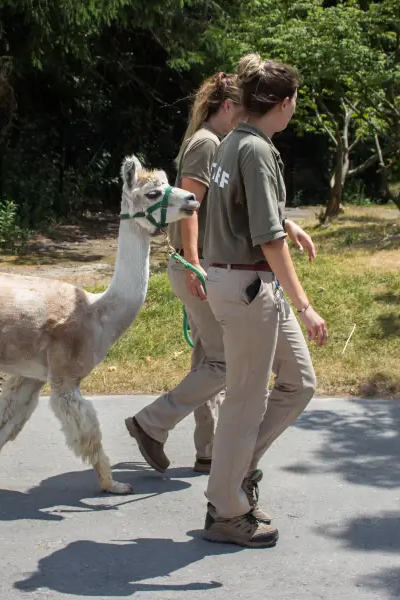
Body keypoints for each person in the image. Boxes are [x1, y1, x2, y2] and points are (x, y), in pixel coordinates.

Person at [124, 71, 317, 476]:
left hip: (205, 265)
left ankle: (209, 450)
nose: (247, 116)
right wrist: (193, 261)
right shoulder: (208, 144)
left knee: (211, 358)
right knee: (225, 363)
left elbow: (239, 205)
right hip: (200, 265)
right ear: (228, 106)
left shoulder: (220, 143)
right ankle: (152, 423)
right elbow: (190, 208)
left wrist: (288, 224)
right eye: (242, 108)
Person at [198, 53, 328, 549]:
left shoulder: (235, 141)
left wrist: (283, 220)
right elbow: (267, 241)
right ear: (284, 101)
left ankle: (237, 472)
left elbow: (244, 212)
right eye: (296, 98)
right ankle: (227, 510)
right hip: (250, 288)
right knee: (244, 403)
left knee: (298, 382)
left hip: (242, 283)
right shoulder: (254, 151)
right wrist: (305, 304)